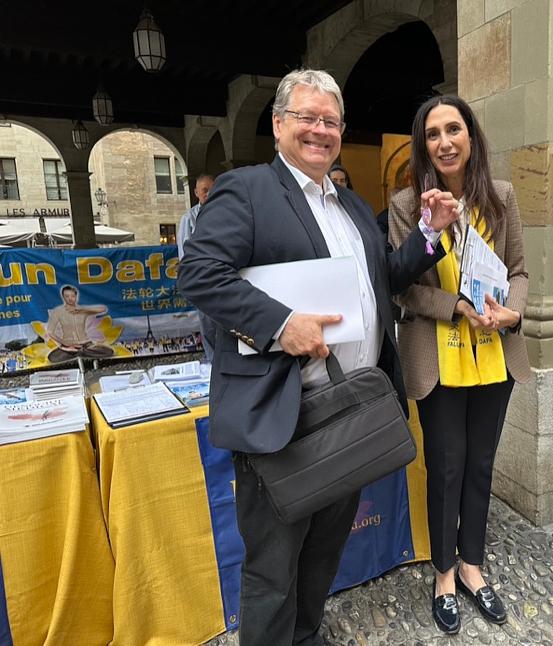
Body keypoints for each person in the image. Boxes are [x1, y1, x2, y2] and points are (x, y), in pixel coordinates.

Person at [177, 69, 458, 646]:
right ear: (279, 124)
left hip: (348, 410)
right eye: (307, 117)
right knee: (272, 569)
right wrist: (281, 325)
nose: (320, 130)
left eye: (331, 121)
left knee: (324, 550)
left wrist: (429, 234)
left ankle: (304, 636)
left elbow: (384, 278)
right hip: (280, 415)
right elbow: (199, 274)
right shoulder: (248, 189)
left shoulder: (352, 205)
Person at [388, 95, 530, 635]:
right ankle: (443, 574)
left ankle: (473, 565)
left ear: (471, 136)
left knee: (480, 466)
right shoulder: (408, 206)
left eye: (454, 129)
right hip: (440, 357)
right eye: (432, 134)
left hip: (494, 355)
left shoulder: (502, 198)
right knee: (445, 468)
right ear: (423, 145)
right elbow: (400, 289)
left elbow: (518, 269)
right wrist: (458, 307)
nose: (444, 142)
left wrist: (511, 310)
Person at [177, 174, 217, 360]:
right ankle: (212, 360)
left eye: (212, 189)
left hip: (225, 274)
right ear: (196, 193)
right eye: (204, 190)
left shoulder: (226, 212)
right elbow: (184, 253)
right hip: (203, 277)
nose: (208, 194)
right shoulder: (189, 218)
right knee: (207, 322)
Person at [45, 285, 114, 363]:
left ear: (76, 296)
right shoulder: (57, 311)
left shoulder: (82, 310)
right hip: (68, 346)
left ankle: (80, 353)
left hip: (86, 345)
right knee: (52, 357)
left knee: (109, 351)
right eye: (67, 296)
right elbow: (50, 331)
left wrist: (83, 309)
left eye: (72, 296)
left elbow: (104, 309)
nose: (70, 298)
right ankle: (78, 353)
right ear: (63, 297)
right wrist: (63, 344)